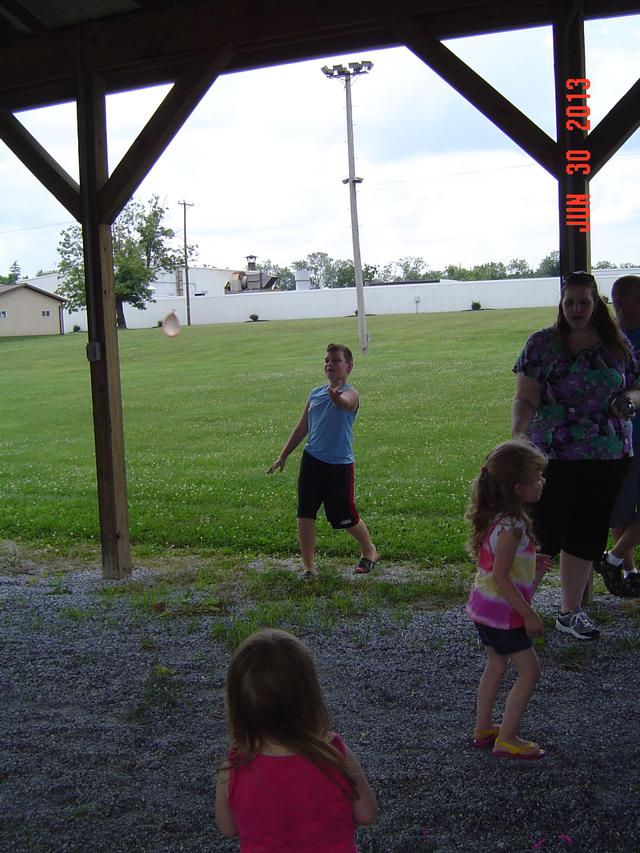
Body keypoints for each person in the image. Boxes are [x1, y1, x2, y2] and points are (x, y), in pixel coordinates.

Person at [512, 270, 640, 639]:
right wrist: (520, 434)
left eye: (584, 302)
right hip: (553, 453)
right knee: (544, 533)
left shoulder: (615, 343)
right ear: (561, 303)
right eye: (570, 302)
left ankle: (570, 612)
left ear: (595, 303)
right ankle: (514, 611)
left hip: (610, 454)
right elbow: (525, 396)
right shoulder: (542, 344)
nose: (576, 308)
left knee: (588, 532)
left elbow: (636, 385)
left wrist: (628, 402)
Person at [215, 629, 378, 850]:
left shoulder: (232, 769)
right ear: (309, 699)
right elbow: (367, 814)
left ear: (239, 709)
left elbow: (228, 828)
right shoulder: (335, 755)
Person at [466, 439, 552, 760]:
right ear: (518, 488)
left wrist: (533, 564)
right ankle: (508, 738)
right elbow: (503, 577)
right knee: (530, 672)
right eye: (536, 478)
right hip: (504, 615)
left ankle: (483, 727)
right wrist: (528, 615)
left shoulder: (497, 518)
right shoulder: (513, 527)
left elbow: (503, 569)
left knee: (496, 664)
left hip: (484, 610)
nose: (541, 482)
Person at [267, 343, 379, 577]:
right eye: (327, 360)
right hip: (312, 461)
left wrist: (336, 398)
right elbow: (302, 428)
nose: (329, 364)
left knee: (345, 517)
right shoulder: (315, 393)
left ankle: (369, 550)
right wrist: (283, 455)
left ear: (348, 366)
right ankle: (309, 567)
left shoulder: (351, 393)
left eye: (335, 360)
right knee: (304, 513)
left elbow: (345, 403)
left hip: (339, 466)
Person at [596, 274, 640, 597]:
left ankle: (616, 562)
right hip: (621, 438)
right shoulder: (607, 341)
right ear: (621, 303)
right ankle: (625, 568)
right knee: (621, 509)